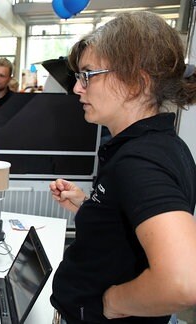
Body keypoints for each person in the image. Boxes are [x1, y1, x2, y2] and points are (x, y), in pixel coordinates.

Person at [49, 12, 196, 323]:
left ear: (136, 83)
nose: (77, 88)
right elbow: (128, 233)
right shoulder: (158, 145)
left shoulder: (140, 159)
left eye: (88, 74)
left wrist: (114, 302)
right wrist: (88, 208)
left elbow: (183, 281)